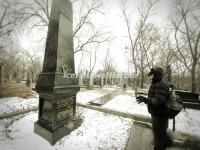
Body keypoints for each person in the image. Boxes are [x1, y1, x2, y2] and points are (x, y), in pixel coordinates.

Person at [136, 67, 172, 150]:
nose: (149, 77)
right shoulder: (155, 83)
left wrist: (146, 99)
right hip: (156, 114)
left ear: (156, 75)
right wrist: (145, 100)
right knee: (158, 136)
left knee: (160, 138)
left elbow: (158, 101)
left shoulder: (161, 84)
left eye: (151, 75)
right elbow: (153, 98)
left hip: (160, 116)